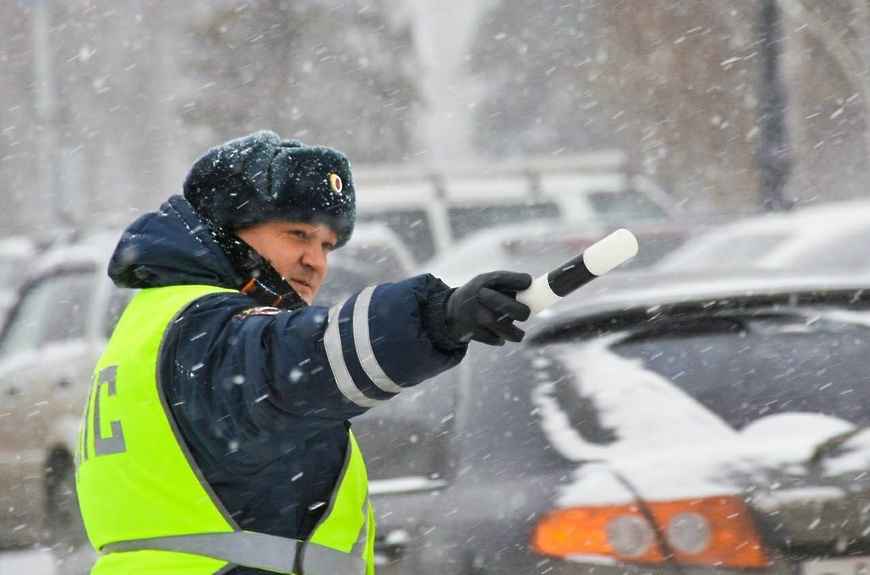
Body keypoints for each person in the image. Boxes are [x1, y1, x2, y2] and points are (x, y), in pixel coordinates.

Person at [75, 130, 532, 575]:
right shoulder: (206, 328)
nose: (316, 261)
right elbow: (299, 359)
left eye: (327, 245)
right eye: (297, 234)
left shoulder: (158, 322)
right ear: (226, 233)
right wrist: (437, 317)